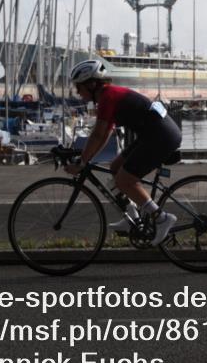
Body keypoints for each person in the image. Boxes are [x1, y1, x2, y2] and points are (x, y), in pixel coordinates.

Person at [65, 59, 180, 245]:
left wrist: (81, 162)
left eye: (79, 87)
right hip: (154, 133)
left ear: (92, 84)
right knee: (115, 167)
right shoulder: (107, 97)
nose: (78, 92)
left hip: (161, 136)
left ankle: (162, 218)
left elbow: (97, 134)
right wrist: (85, 159)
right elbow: (104, 135)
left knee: (124, 180)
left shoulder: (108, 97)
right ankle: (132, 217)